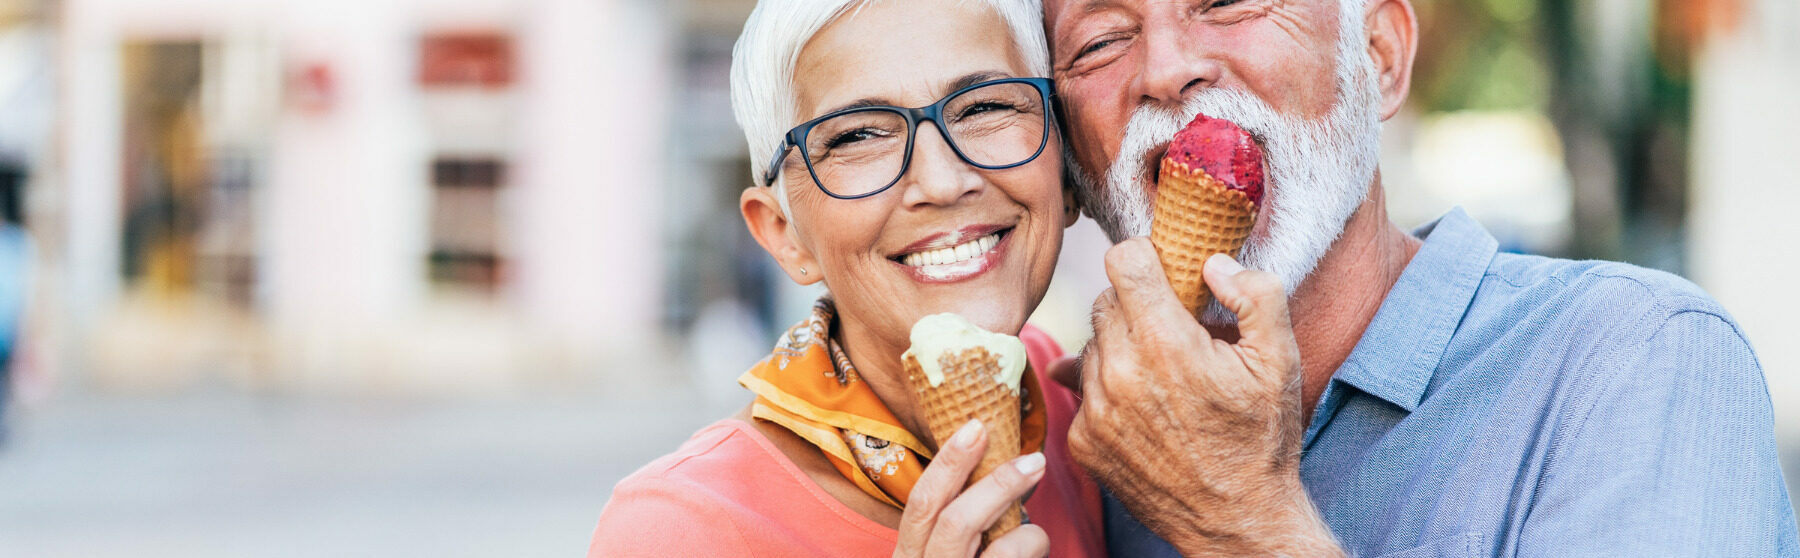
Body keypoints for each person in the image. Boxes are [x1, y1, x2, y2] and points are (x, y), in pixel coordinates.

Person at [1041, 0, 1799, 556]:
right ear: (1070, 165)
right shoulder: (1086, 464)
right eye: (1100, 42)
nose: (1168, 71)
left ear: (1380, 55)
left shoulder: (1638, 358)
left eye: (1229, 4)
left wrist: (1243, 519)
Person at [590, 1, 1105, 556]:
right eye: (857, 136)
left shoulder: (1074, 405)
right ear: (783, 234)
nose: (942, 181)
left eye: (985, 106)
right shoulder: (681, 528)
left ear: (1066, 168)